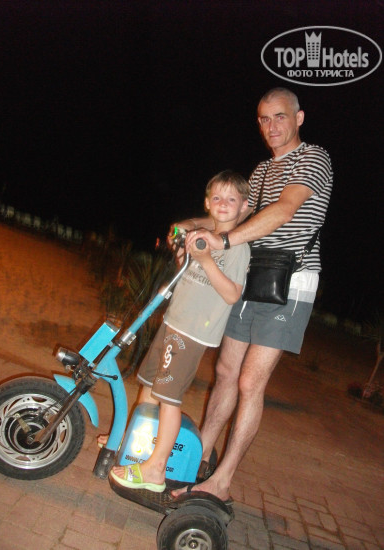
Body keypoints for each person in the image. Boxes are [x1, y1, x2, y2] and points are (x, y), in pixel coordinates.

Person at [172, 87, 333, 502]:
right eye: (264, 118)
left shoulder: (314, 158)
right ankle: (197, 459)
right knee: (226, 371)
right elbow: (235, 216)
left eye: (280, 116)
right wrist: (191, 226)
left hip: (291, 283)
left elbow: (284, 210)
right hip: (253, 275)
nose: (271, 126)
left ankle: (221, 481)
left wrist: (223, 243)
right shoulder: (261, 170)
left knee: (249, 381)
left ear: (298, 118)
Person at [105, 170, 251, 492]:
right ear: (207, 203)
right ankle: (133, 443)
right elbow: (190, 269)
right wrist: (183, 252)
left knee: (168, 397)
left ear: (244, 207)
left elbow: (232, 294)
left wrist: (205, 259)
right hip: (174, 321)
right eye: (217, 197)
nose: (223, 204)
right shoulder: (202, 235)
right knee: (148, 384)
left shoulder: (237, 248)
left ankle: (156, 469)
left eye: (231, 199)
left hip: (193, 333)